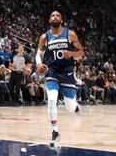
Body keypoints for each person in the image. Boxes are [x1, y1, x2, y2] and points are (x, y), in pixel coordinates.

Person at [35, 11, 83, 147]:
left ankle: (75, 106)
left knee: (70, 107)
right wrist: (39, 63)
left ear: (61, 20)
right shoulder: (45, 37)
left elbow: (81, 52)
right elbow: (38, 54)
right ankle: (55, 132)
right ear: (49, 20)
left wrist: (72, 53)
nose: (55, 17)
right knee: (51, 99)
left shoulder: (70, 34)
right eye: (52, 16)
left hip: (67, 73)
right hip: (52, 72)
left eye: (57, 15)